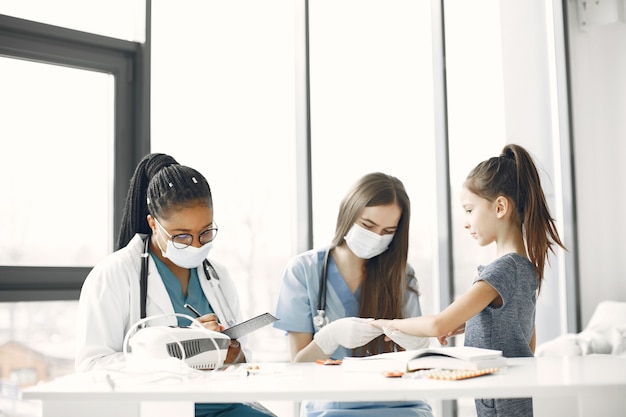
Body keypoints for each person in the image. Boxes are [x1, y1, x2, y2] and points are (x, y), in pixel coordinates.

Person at [373, 144, 567, 417]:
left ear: (500, 207)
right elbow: (525, 340)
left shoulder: (501, 270)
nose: (465, 223)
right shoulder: (525, 269)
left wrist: (388, 323)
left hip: (497, 401)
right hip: (516, 396)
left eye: (468, 210)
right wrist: (471, 324)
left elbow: (439, 323)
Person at [75, 153, 275, 417]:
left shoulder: (218, 276)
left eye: (205, 233)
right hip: (156, 410)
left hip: (225, 405)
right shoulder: (114, 274)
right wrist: (182, 345)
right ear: (153, 224)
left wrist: (234, 354)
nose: (196, 245)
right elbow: (92, 366)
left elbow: (244, 363)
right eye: (182, 236)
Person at [273, 172, 434, 417]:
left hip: (401, 403)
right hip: (333, 406)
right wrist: (329, 337)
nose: (375, 237)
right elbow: (299, 367)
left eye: (387, 231)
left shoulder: (401, 274)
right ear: (348, 212)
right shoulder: (304, 270)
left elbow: (415, 362)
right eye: (368, 226)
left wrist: (418, 345)